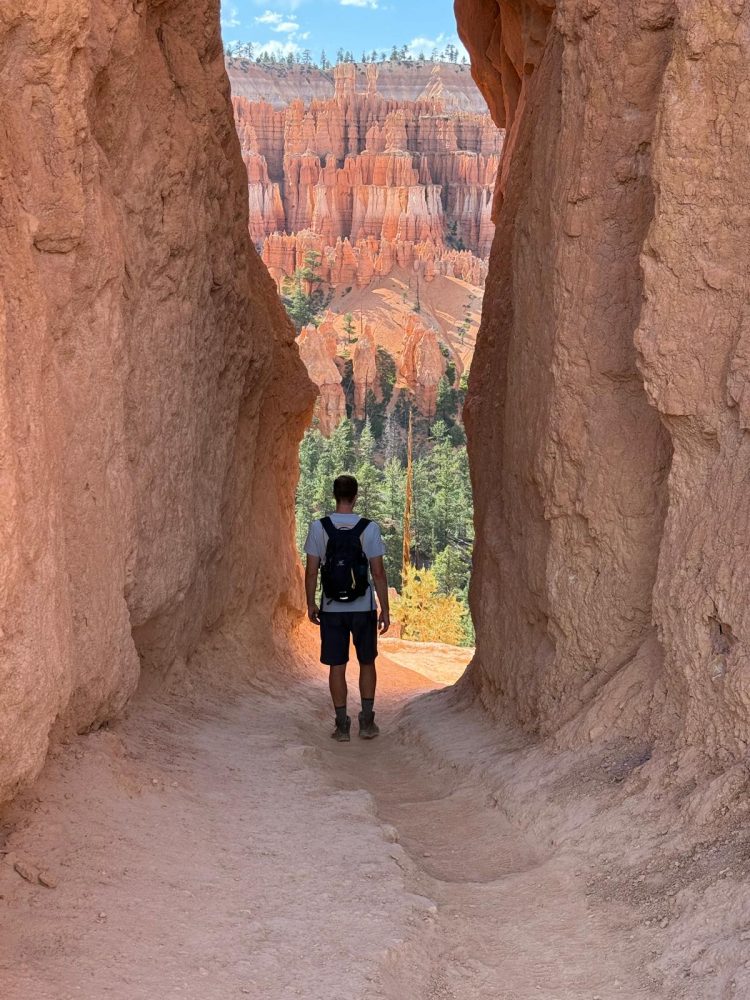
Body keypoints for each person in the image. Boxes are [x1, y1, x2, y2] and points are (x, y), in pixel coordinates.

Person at [304, 474, 390, 742]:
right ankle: (366, 722)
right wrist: (384, 609)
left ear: (334, 495)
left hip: (331, 608)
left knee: (337, 666)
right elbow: (377, 573)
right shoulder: (369, 528)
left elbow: (311, 571)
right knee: (367, 662)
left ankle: (342, 725)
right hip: (362, 607)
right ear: (355, 497)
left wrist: (310, 603)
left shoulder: (319, 527)